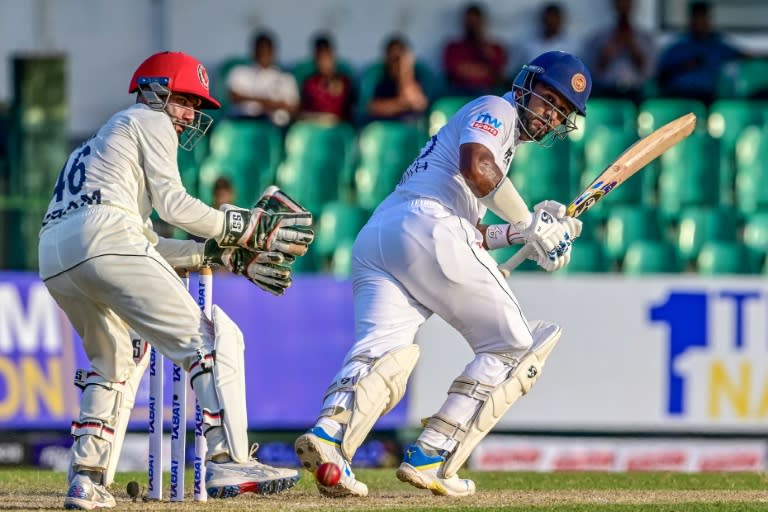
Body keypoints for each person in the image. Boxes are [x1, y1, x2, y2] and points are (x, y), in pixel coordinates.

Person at [294, 51, 589, 497]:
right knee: (515, 345)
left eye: (561, 113)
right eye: (549, 100)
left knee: (382, 351)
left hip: (384, 236)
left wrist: (522, 236)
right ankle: (432, 454)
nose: (550, 116)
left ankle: (329, 436)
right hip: (427, 227)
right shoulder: (498, 108)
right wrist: (532, 222)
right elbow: (477, 169)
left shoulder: (499, 139)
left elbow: (470, 226)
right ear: (527, 84)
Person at [38, 51, 314, 509]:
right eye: (184, 101)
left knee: (112, 365)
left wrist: (217, 252)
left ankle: (85, 481)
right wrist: (244, 229)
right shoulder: (149, 120)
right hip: (105, 239)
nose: (190, 116)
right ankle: (227, 457)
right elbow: (174, 207)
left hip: (56, 254)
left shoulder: (102, 146)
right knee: (207, 340)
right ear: (156, 91)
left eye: (195, 107)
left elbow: (144, 242)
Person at [656, 1, 745, 105]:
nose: (700, 23)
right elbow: (660, 77)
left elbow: (743, 55)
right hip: (678, 96)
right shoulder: (677, 47)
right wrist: (683, 66)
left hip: (706, 97)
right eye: (697, 18)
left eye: (703, 18)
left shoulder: (717, 46)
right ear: (690, 20)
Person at [581, 0, 655, 103]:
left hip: (636, 93)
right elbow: (591, 72)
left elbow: (649, 72)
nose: (623, 5)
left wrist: (632, 46)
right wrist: (609, 53)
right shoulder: (599, 38)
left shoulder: (644, 38)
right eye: (620, 2)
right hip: (607, 92)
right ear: (615, 4)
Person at [226, 31, 300, 126]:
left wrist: (249, 98)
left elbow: (292, 107)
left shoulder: (285, 78)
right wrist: (269, 102)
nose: (263, 54)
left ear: (273, 52)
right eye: (260, 50)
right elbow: (234, 96)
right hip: (242, 123)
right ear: (253, 51)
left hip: (274, 127)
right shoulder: (239, 73)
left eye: (266, 51)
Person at [442, 3, 508, 95]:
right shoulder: (453, 47)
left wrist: (482, 47)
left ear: (482, 23)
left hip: (488, 92)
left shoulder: (495, 48)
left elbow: (498, 73)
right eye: (469, 22)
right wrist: (482, 71)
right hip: (460, 92)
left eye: (476, 22)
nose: (472, 26)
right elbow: (455, 72)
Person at [366, 35, 429, 123]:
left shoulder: (417, 77)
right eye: (394, 59)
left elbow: (419, 104)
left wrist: (406, 73)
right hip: (386, 127)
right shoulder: (380, 79)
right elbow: (372, 108)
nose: (397, 63)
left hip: (411, 128)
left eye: (400, 58)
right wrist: (402, 104)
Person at [299, 34, 356, 123]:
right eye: (321, 60)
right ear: (316, 61)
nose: (325, 64)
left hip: (340, 129)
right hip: (313, 126)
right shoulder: (310, 84)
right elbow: (302, 111)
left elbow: (351, 110)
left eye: (328, 59)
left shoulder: (345, 83)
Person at [514, 3, 576, 71]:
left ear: (560, 20)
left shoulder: (571, 46)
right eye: (548, 18)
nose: (550, 22)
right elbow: (521, 67)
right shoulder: (527, 44)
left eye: (554, 18)